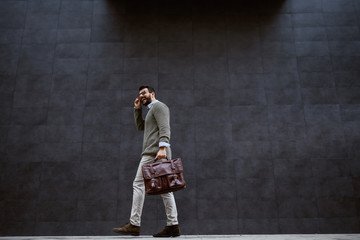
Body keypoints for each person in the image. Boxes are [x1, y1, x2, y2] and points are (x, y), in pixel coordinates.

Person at [113, 86, 180, 237]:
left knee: (138, 184)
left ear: (152, 93)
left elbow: (165, 128)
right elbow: (141, 127)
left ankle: (134, 224)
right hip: (155, 152)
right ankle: (173, 225)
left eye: (144, 93)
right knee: (165, 189)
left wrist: (162, 147)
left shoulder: (159, 106)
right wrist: (137, 109)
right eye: (139, 94)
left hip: (155, 152)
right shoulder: (151, 110)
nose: (141, 96)